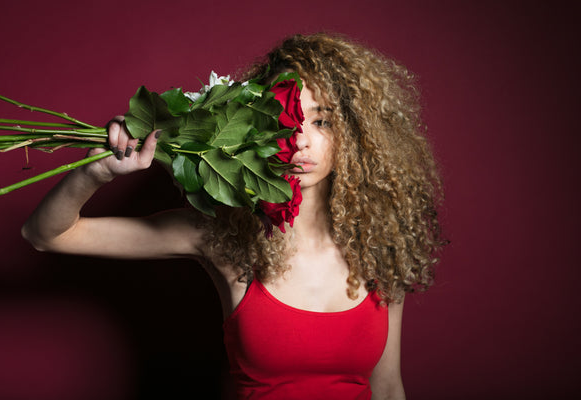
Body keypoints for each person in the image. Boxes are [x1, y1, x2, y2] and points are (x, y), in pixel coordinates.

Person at [22, 33, 446, 400]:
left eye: (323, 121)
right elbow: (48, 235)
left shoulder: (378, 246)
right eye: (288, 118)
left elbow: (388, 387)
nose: (300, 141)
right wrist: (96, 172)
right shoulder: (224, 235)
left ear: (354, 134)